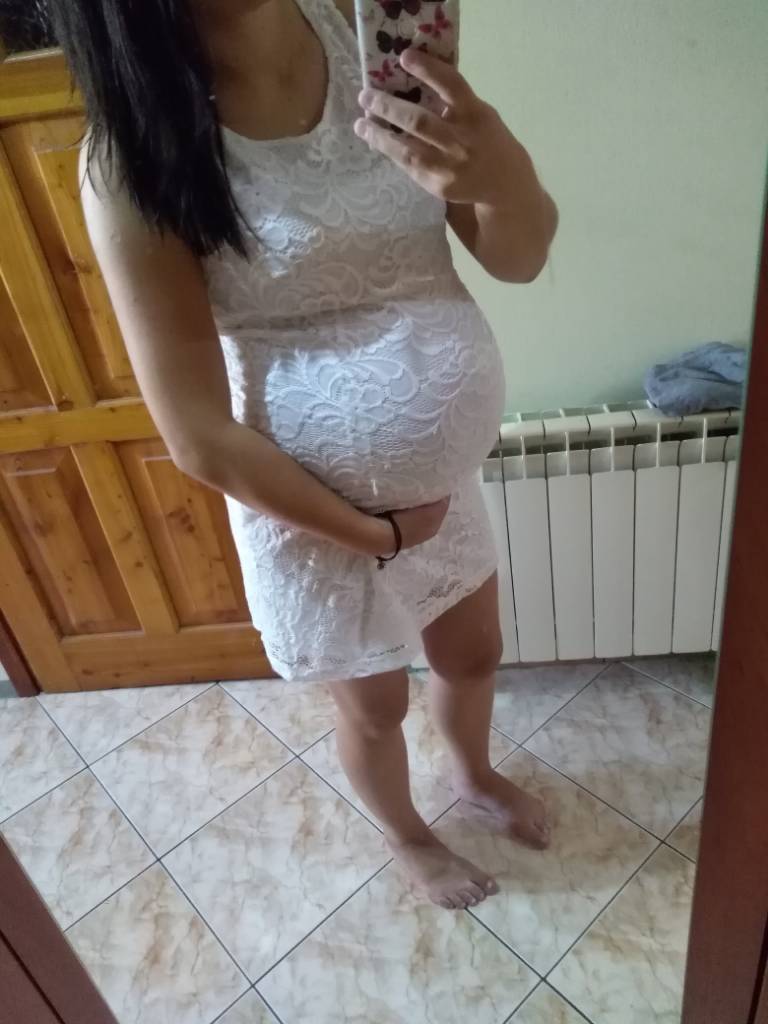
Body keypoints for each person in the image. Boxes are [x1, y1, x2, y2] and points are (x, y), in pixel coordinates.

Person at [50, 0, 558, 910]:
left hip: (438, 492)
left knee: (475, 652)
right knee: (374, 706)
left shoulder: (383, 48)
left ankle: (474, 775)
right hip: (307, 513)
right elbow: (198, 435)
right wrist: (378, 533)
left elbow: (517, 261)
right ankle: (409, 835)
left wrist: (505, 174)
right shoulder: (132, 154)